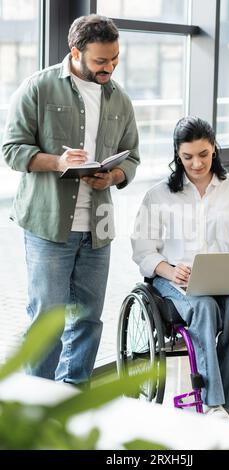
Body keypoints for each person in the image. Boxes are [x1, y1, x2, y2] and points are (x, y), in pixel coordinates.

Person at [2, 15, 139, 384]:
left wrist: (111, 175)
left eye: (115, 59)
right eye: (100, 61)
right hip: (48, 226)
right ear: (75, 52)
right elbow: (12, 150)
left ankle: (71, 400)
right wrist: (58, 162)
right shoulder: (39, 88)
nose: (109, 67)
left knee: (89, 319)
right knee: (47, 322)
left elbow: (133, 158)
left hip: (98, 228)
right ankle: (37, 406)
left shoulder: (120, 99)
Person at [131, 116, 229, 421]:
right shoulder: (158, 195)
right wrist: (169, 269)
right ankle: (212, 402)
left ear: (214, 149)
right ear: (177, 155)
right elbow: (143, 251)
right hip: (174, 279)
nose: (197, 163)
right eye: (188, 157)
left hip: (225, 278)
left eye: (204, 154)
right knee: (203, 306)